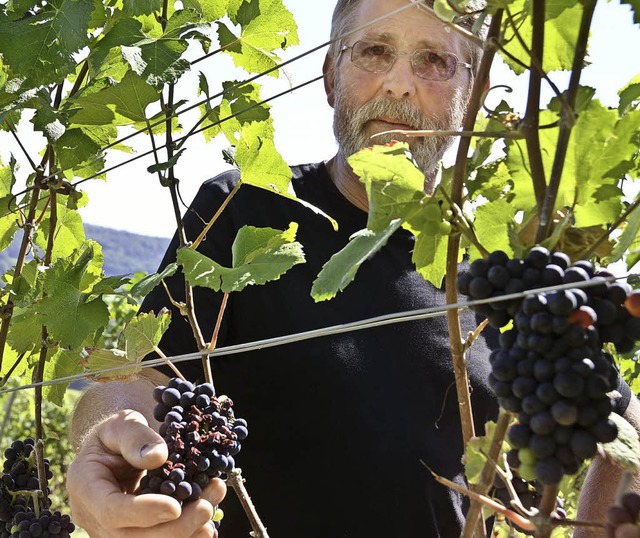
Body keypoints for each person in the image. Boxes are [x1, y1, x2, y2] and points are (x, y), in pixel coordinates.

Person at [66, 0, 640, 536]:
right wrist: (109, 435)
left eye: (435, 60)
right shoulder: (244, 208)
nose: (398, 82)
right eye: (373, 51)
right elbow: (141, 382)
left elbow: (626, 426)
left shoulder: (503, 273)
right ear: (329, 77)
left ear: (478, 89)